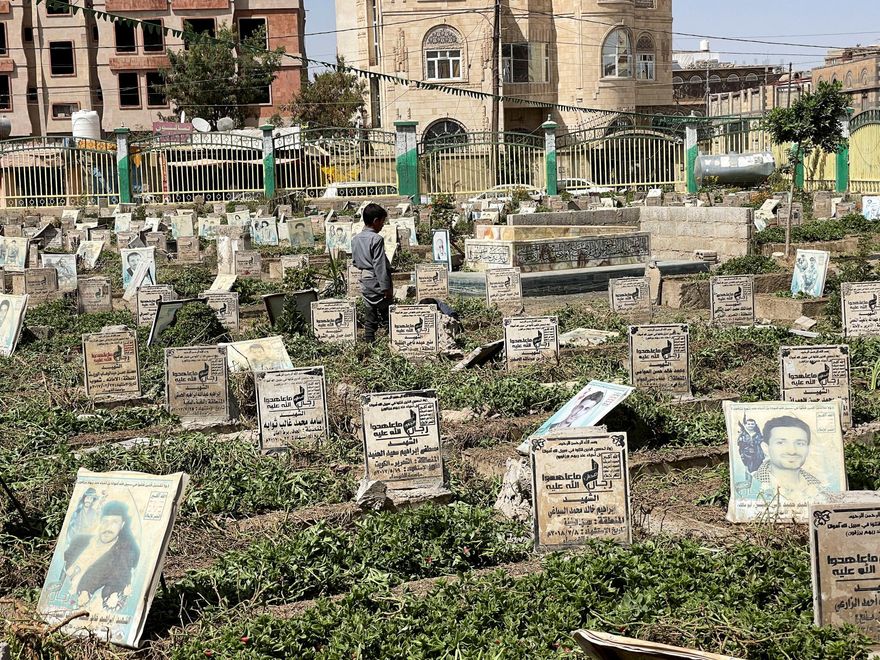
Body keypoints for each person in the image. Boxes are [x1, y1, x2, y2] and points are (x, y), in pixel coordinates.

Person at [61, 500, 140, 610]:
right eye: (105, 521)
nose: (108, 527)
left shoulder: (121, 554)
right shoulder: (79, 541)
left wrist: (87, 591)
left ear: (122, 525)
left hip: (80, 605)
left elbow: (118, 580)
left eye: (114, 522)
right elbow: (62, 563)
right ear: (100, 522)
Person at [735, 415, 826, 506]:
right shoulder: (745, 490)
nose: (792, 451)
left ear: (808, 449)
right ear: (765, 448)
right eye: (781, 443)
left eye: (800, 443)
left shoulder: (821, 490)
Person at [351, 203, 393, 343]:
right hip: (377, 281)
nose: (383, 225)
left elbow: (355, 262)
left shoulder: (355, 239)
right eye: (382, 222)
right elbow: (379, 265)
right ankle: (392, 341)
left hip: (365, 280)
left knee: (370, 316)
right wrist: (386, 288)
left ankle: (369, 343)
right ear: (376, 221)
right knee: (387, 315)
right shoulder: (376, 239)